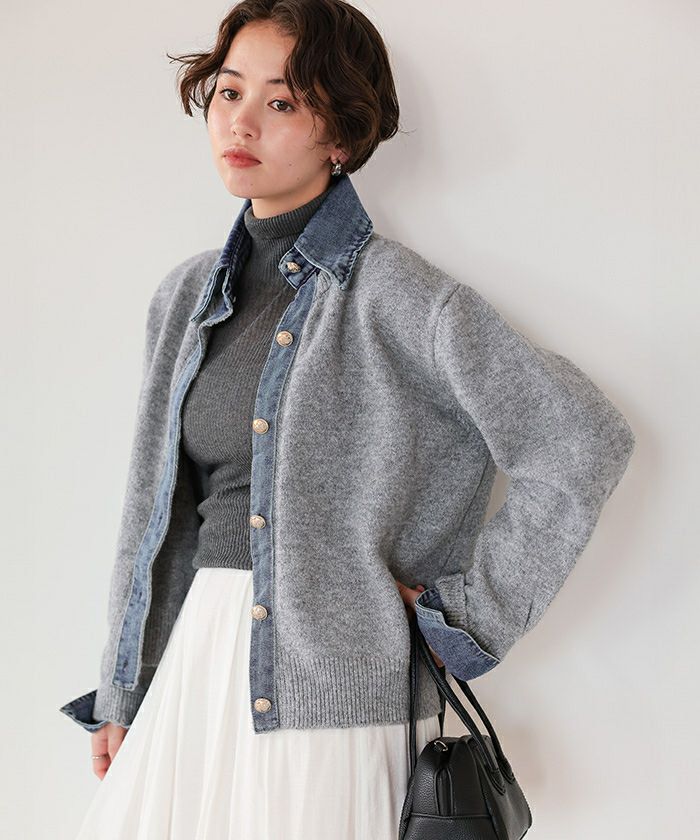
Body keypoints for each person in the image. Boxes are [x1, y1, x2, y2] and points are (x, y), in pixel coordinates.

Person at [58, 2, 636, 838]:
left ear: (341, 132)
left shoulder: (400, 297)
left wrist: (466, 617)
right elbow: (154, 517)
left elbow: (582, 442)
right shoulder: (184, 297)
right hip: (193, 669)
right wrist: (124, 688)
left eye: (282, 102)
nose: (242, 122)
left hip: (331, 702)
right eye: (229, 92)